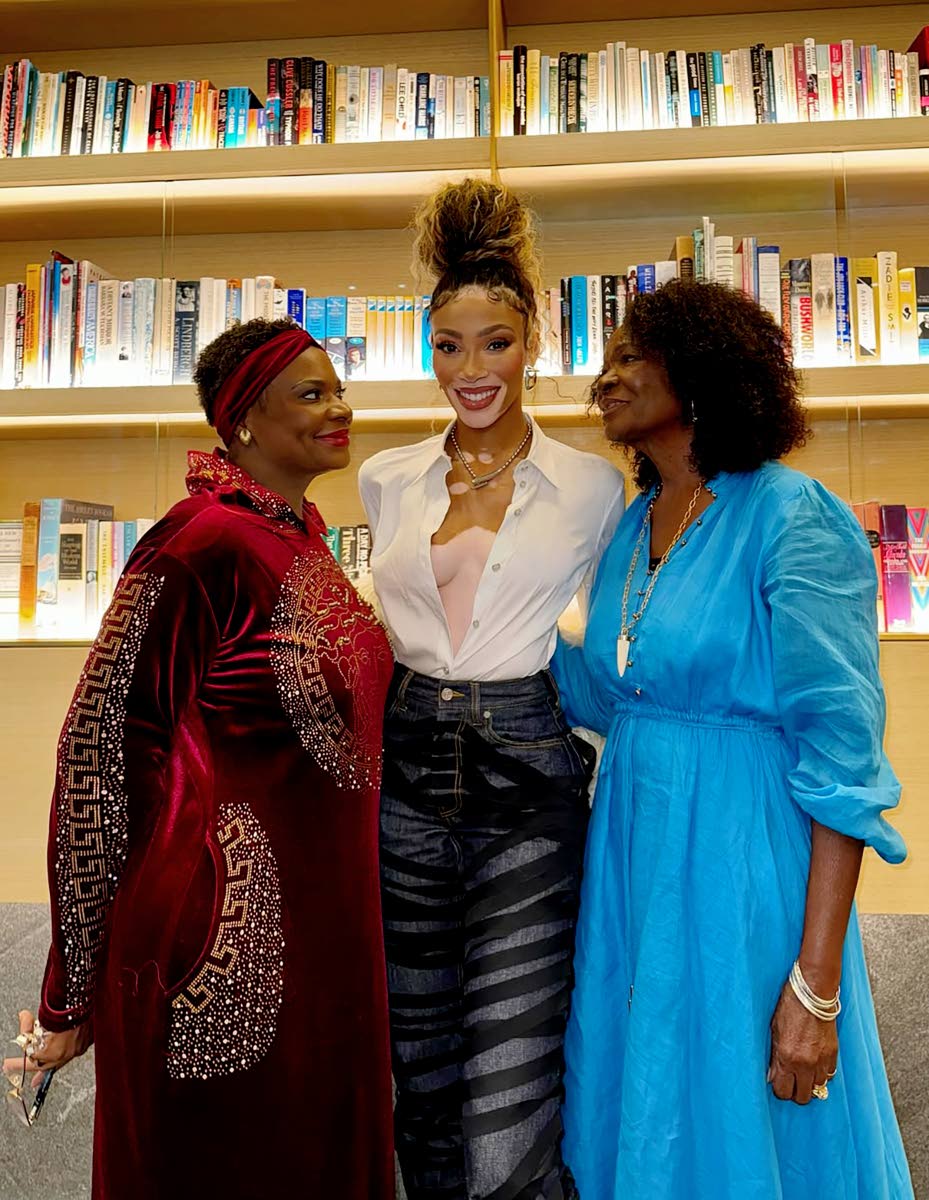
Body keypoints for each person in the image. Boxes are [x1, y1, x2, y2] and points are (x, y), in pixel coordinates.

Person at [4, 318, 395, 1198]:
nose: (340, 408)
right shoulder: (199, 542)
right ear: (244, 419)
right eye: (312, 392)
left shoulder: (303, 544)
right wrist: (72, 990)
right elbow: (98, 754)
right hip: (221, 944)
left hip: (330, 942)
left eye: (338, 388)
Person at [553, 279, 914, 1199]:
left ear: (703, 372)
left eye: (633, 355)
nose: (608, 377)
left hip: (745, 875)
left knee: (749, 1113)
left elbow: (839, 760)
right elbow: (603, 695)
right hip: (632, 873)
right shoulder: (632, 527)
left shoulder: (793, 517)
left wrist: (815, 982)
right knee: (646, 1103)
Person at [359, 179, 625, 1200]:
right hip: (406, 778)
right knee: (417, 1078)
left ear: (532, 343)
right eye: (449, 347)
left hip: (527, 778)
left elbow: (611, 639)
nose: (472, 371)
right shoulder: (386, 478)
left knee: (508, 1082)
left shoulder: (592, 488)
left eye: (495, 344)